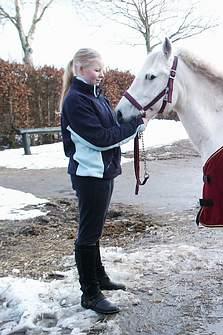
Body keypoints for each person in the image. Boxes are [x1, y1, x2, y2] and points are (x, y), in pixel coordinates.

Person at [60, 48, 147, 314]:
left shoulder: (96, 96)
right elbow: (100, 138)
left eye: (102, 69)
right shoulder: (75, 101)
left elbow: (111, 127)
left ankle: (99, 278)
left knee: (94, 230)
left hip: (103, 172)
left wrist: (133, 120)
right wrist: (133, 129)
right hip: (89, 175)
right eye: (97, 69)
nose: (102, 74)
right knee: (87, 234)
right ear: (79, 70)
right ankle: (90, 294)